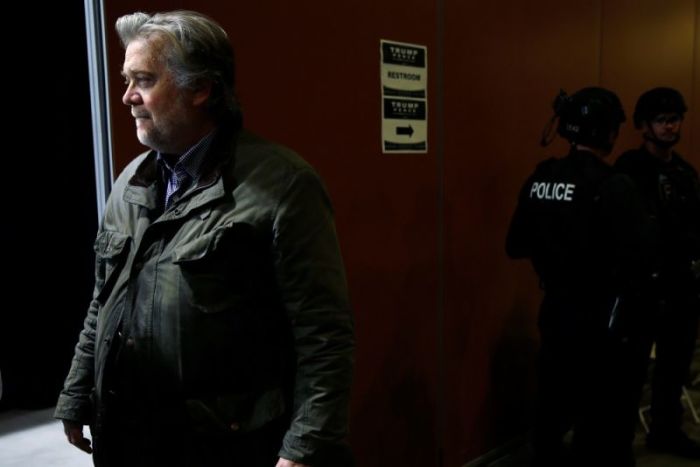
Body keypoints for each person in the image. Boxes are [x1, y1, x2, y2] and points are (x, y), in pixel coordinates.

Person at [54, 10, 355, 467]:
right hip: (128, 440)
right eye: (126, 79)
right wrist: (77, 392)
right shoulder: (131, 180)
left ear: (201, 88)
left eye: (144, 80)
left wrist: (305, 450)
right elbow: (103, 299)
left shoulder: (284, 185)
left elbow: (324, 336)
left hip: (223, 448)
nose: (127, 96)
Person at [506, 87, 654, 467]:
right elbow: (639, 259)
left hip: (556, 309)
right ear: (608, 132)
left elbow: (515, 244)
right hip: (606, 318)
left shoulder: (542, 177)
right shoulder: (615, 185)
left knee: (553, 403)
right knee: (606, 416)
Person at [615, 87, 700, 459]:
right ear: (644, 125)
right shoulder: (629, 170)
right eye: (663, 120)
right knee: (630, 371)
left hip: (681, 286)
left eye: (675, 119)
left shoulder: (683, 171)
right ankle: (616, 441)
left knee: (674, 364)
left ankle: (666, 430)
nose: (671, 127)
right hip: (641, 288)